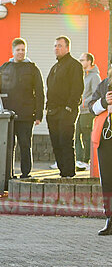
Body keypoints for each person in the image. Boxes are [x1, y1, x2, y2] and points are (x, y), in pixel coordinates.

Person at [0, 38, 45, 179]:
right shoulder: (4, 68)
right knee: (8, 146)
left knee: (25, 145)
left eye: (23, 50)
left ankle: (26, 173)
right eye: (18, 50)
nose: (20, 52)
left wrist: (38, 114)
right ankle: (8, 173)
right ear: (13, 51)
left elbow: (40, 92)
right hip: (7, 115)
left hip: (26, 115)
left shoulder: (32, 69)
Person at [45, 35, 84, 178]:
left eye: (59, 45)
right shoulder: (55, 67)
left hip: (66, 111)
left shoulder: (74, 65)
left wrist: (69, 108)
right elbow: (50, 89)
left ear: (67, 48)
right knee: (56, 144)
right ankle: (63, 173)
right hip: (53, 112)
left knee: (65, 142)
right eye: (55, 45)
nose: (56, 48)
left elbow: (77, 88)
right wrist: (47, 109)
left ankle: (69, 174)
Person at [87, 69, 112, 234]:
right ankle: (110, 218)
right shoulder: (104, 84)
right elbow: (91, 107)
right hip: (106, 138)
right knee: (108, 180)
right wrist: (104, 102)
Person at [76, 52, 101, 170]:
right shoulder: (83, 75)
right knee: (77, 136)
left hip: (87, 112)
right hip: (80, 111)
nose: (80, 62)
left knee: (86, 136)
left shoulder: (94, 76)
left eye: (82, 60)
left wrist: (85, 102)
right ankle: (79, 160)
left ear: (89, 62)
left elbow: (96, 93)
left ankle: (86, 161)